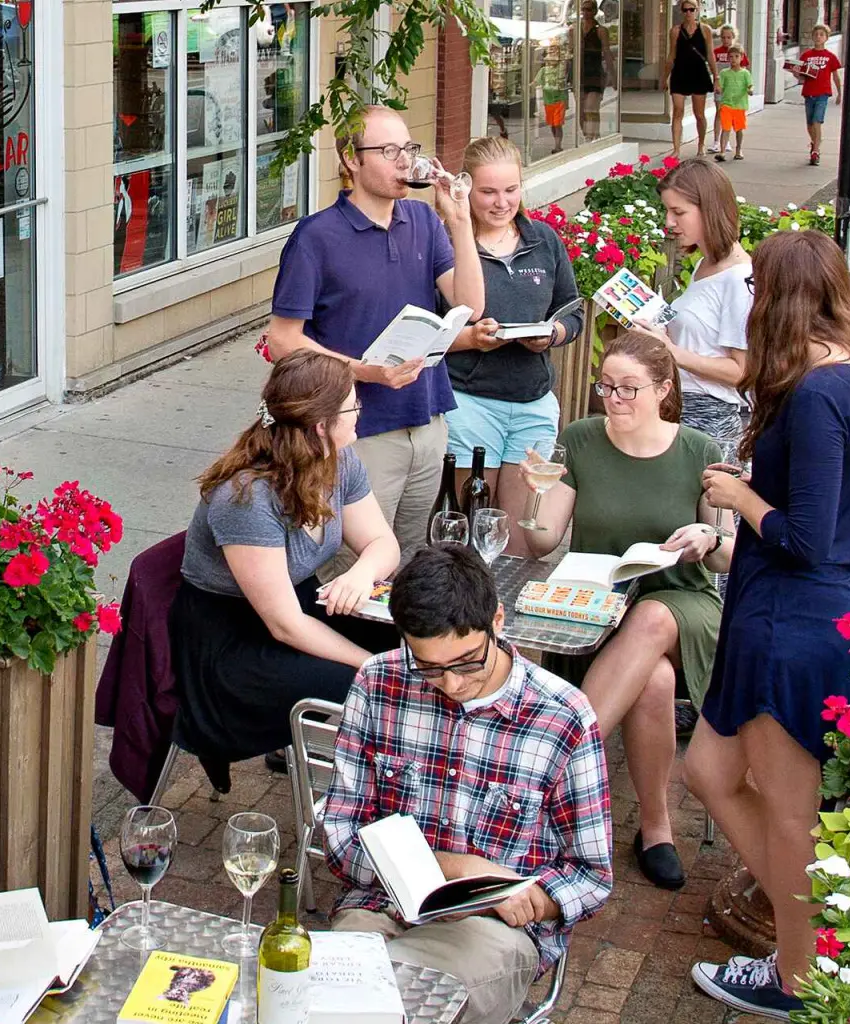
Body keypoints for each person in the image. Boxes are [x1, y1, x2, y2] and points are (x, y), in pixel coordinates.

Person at [685, 230, 850, 1020]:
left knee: (787, 811)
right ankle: (815, 937)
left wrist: (741, 501)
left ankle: (799, 977)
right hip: (783, 615)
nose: (749, 301)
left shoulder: (816, 397)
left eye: (756, 288)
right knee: (708, 771)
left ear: (781, 298)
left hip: (795, 626)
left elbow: (806, 540)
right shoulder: (849, 378)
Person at [320, 542, 614, 1022]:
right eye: (430, 667)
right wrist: (453, 868)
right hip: (378, 905)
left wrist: (534, 899)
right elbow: (338, 832)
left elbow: (592, 874)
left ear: (498, 621)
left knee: (406, 1004)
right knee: (329, 1003)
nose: (452, 684)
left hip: (493, 928)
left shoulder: (563, 715)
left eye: (467, 662)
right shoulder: (379, 681)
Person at [515, 332, 733, 890]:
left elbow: (728, 555)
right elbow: (543, 543)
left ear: (663, 389)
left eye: (629, 389)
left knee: (655, 620)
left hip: (682, 602)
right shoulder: (582, 439)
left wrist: (708, 535)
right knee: (654, 682)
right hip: (597, 604)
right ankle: (657, 829)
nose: (614, 400)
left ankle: (550, 764)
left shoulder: (700, 451)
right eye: (606, 387)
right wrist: (536, 494)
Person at [172, 350, 402, 793]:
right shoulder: (246, 498)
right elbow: (284, 626)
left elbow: (382, 543)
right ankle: (366, 799)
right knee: (375, 684)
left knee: (419, 640)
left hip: (299, 608)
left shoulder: (339, 460)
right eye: (353, 406)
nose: (361, 413)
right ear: (320, 425)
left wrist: (360, 575)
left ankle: (405, 777)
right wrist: (372, 666)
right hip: (231, 646)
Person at [265, 107, 486, 557]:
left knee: (414, 559)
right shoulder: (316, 236)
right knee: (355, 564)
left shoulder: (423, 222)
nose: (404, 161)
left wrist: (460, 222)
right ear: (350, 158)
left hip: (427, 417)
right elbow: (282, 341)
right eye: (388, 151)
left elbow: (471, 307)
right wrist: (365, 372)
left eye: (408, 148)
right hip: (357, 428)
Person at [441, 136, 585, 539]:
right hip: (470, 402)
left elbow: (573, 310)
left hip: (532, 402)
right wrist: (471, 337)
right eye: (488, 192)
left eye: (511, 190)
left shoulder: (544, 240)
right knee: (468, 526)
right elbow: (429, 332)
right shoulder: (447, 243)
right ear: (466, 188)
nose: (502, 202)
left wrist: (554, 334)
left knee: (522, 533)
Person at [634, 158, 752, 466]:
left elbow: (741, 371)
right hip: (679, 407)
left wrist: (672, 351)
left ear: (709, 210)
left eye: (679, 212)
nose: (669, 221)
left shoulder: (739, 278)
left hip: (708, 419)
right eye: (667, 210)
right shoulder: (705, 263)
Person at [663, 1, 717, 158]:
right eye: (685, 10)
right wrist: (664, 77)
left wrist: (716, 76)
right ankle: (676, 149)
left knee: (699, 113)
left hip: (698, 72)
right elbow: (671, 55)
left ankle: (701, 144)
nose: (688, 13)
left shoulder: (705, 29)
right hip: (680, 72)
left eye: (691, 10)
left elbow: (710, 54)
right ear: (681, 11)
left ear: (697, 10)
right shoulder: (675, 31)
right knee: (678, 110)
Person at [788, 24, 842, 167]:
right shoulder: (806, 55)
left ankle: (816, 151)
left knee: (817, 121)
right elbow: (802, 77)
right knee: (810, 124)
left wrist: (839, 93)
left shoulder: (830, 57)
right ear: (812, 37)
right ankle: (815, 142)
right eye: (816, 34)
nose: (818, 37)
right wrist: (795, 73)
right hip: (808, 93)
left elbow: (836, 76)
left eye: (821, 34)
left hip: (823, 93)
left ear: (826, 38)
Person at [577, 1, 615, 141]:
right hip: (579, 72)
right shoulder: (575, 29)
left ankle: (591, 138)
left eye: (588, 9)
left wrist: (613, 76)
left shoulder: (600, 30)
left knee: (590, 108)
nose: (585, 13)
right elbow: (571, 52)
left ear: (594, 11)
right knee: (582, 112)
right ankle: (590, 135)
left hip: (594, 71)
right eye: (583, 10)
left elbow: (606, 52)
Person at [706, 24, 741, 155]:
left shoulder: (737, 52)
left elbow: (744, 69)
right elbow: (712, 68)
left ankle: (727, 140)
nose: (726, 40)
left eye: (729, 37)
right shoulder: (717, 52)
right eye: (723, 37)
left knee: (731, 113)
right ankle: (716, 141)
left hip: (734, 88)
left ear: (733, 37)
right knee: (720, 111)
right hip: (720, 87)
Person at [716, 48, 753, 160]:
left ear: (741, 58)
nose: (733, 59)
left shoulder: (745, 73)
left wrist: (750, 90)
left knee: (739, 129)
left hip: (739, 105)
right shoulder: (724, 73)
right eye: (731, 57)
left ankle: (738, 149)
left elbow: (750, 84)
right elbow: (720, 87)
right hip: (727, 104)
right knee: (726, 128)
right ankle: (722, 152)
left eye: (736, 56)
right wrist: (718, 89)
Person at [538, 48, 569, 155]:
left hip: (559, 100)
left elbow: (565, 64)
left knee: (557, 124)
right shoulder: (544, 70)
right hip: (548, 100)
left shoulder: (561, 67)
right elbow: (536, 81)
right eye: (550, 54)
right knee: (552, 124)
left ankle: (557, 146)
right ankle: (557, 144)